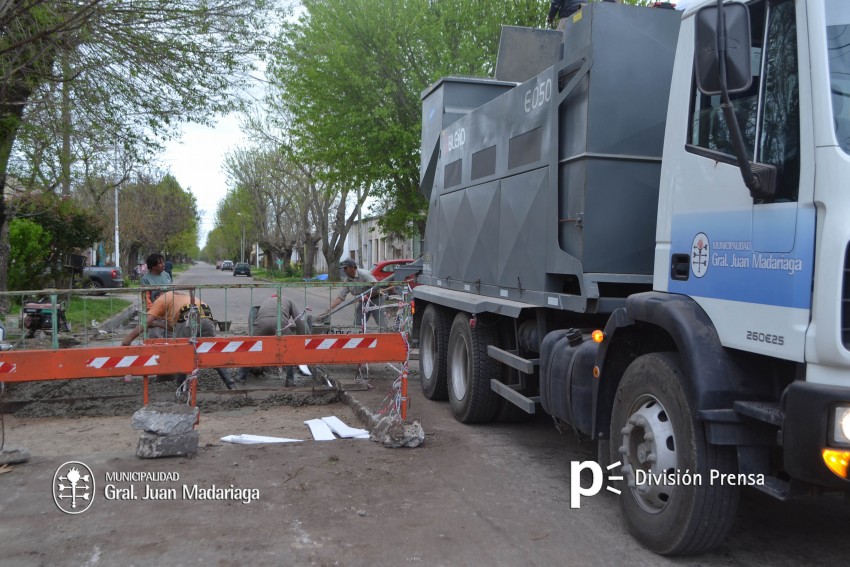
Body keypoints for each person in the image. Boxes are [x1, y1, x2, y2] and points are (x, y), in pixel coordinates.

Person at [121, 290, 235, 389]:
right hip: (207, 317)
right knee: (213, 353)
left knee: (182, 356)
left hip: (187, 316)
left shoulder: (161, 299)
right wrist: (159, 323)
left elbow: (147, 321)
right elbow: (175, 327)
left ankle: (180, 389)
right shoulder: (177, 296)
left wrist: (129, 338)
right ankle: (231, 385)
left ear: (156, 297)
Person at [235, 294, 308, 386]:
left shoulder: (266, 301)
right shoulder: (289, 300)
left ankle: (241, 376)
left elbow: (253, 318)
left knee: (252, 349)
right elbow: (300, 321)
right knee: (288, 350)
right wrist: (306, 338)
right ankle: (290, 380)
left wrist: (253, 337)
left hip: (261, 323)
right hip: (280, 322)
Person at [321, 258, 382, 328]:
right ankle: (357, 335)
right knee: (358, 322)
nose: (344, 271)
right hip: (364, 301)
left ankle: (387, 335)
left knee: (381, 322)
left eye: (345, 268)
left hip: (377, 299)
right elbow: (341, 296)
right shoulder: (347, 280)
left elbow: (377, 287)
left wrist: (366, 296)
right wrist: (330, 308)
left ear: (352, 267)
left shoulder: (364, 274)